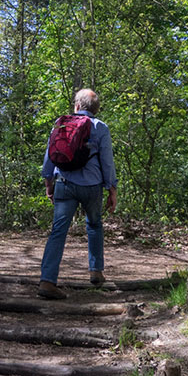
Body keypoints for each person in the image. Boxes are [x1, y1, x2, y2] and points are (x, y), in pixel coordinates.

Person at [37, 88, 117, 299]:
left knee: (58, 231)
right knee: (94, 225)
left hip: (64, 182)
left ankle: (47, 280)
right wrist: (112, 189)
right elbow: (107, 162)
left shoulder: (61, 123)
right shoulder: (100, 127)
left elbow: (50, 156)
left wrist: (48, 183)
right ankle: (96, 271)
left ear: (77, 106)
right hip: (92, 186)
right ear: (96, 109)